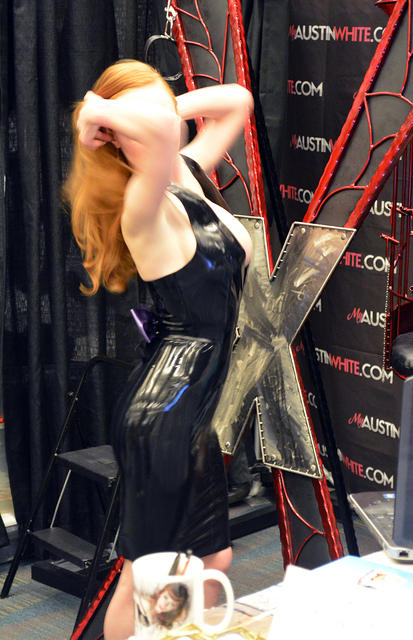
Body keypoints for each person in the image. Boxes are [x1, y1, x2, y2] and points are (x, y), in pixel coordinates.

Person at [64, 59, 253, 640]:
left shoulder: (184, 173)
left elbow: (237, 101)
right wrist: (97, 112)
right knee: (152, 578)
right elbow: (165, 132)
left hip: (192, 412)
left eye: (163, 103)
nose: (162, 116)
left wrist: (145, 108)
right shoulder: (143, 204)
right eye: (141, 113)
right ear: (119, 135)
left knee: (213, 560)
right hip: (162, 416)